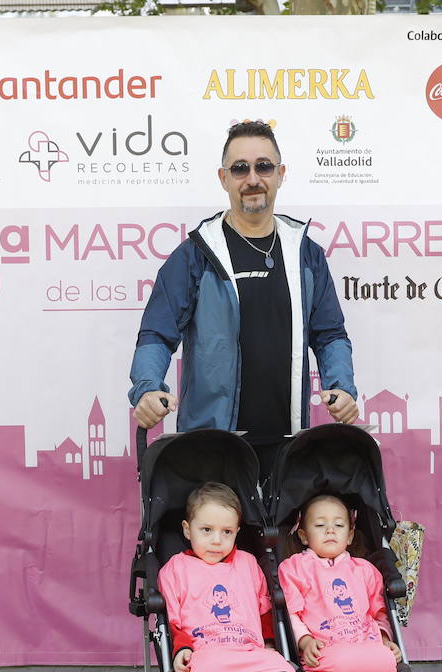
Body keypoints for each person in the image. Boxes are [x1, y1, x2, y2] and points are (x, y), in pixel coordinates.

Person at [129, 120, 359, 484]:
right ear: (223, 178)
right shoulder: (195, 256)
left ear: (280, 174)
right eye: (240, 168)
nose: (252, 178)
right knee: (215, 545)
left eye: (263, 166)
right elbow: (156, 334)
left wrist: (342, 386)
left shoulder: (306, 255)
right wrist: (147, 387)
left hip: (289, 445)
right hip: (213, 447)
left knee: (283, 543)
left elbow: (330, 335)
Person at [158, 482, 295, 672]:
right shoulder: (176, 569)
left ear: (237, 532)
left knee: (279, 669)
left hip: (246, 649)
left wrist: (270, 642)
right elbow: (174, 620)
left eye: (227, 532)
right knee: (213, 668)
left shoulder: (247, 564)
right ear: (186, 529)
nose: (216, 540)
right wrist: (182, 649)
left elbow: (262, 610)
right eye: (206, 530)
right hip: (205, 650)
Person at [278, 494, 401, 672]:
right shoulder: (295, 567)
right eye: (320, 525)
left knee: (384, 660)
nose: (330, 530)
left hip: (363, 638)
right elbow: (292, 612)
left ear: (350, 535)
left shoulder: (365, 570)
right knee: (343, 664)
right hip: (324, 644)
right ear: (304, 535)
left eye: (338, 525)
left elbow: (378, 611)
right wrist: (304, 639)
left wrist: (384, 637)